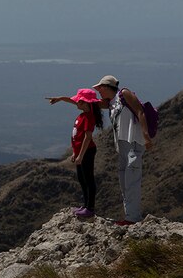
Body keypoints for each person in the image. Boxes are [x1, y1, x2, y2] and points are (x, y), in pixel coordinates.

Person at [92, 75, 153, 226]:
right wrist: (62, 99)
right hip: (123, 147)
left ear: (107, 86)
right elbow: (85, 103)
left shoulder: (124, 94)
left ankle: (133, 218)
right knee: (124, 182)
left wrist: (146, 136)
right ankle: (129, 216)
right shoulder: (111, 103)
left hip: (133, 143)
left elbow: (140, 111)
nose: (98, 90)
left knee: (132, 181)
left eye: (100, 88)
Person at [46, 88, 103, 219]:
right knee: (82, 180)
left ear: (85, 103)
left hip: (87, 152)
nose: (76, 102)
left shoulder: (89, 117)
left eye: (79, 101)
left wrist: (80, 155)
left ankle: (90, 208)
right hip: (80, 152)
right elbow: (71, 101)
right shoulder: (85, 111)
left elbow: (87, 138)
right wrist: (60, 98)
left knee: (88, 180)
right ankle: (85, 205)